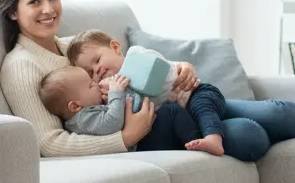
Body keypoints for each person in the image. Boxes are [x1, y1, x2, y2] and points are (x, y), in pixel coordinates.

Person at [0, 0, 295, 161]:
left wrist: (181, 68)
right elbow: (49, 143)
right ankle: (291, 132)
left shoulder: (71, 45)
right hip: (157, 130)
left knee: (275, 114)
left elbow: (133, 63)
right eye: (34, 2)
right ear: (12, 12)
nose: (49, 9)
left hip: (176, 102)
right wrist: (125, 137)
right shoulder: (21, 65)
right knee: (250, 136)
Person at [40, 66, 208, 154]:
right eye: (91, 85)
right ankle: (197, 143)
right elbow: (112, 122)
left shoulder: (85, 112)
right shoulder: (83, 119)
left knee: (171, 112)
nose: (96, 84)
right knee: (171, 112)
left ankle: (198, 137)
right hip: (142, 147)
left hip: (144, 139)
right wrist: (116, 92)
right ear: (75, 106)